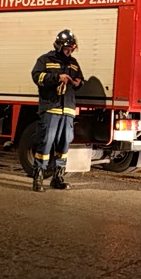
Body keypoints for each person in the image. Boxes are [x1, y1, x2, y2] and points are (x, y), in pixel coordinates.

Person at [30, 29, 84, 192]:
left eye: (71, 49)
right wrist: (56, 78)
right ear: (59, 46)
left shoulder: (74, 63)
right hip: (51, 108)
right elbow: (37, 77)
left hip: (67, 110)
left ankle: (58, 177)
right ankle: (38, 176)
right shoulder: (45, 60)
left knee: (64, 144)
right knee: (46, 143)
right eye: (67, 49)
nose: (69, 52)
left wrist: (78, 82)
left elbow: (80, 80)